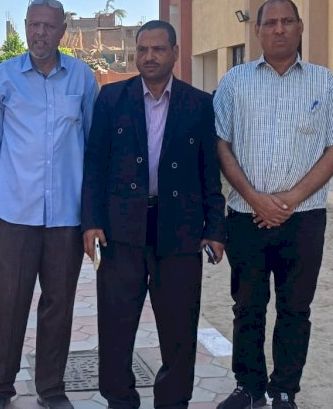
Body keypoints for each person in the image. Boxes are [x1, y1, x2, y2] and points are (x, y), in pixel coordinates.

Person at [213, 0, 333, 409]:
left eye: (287, 21)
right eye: (271, 22)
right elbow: (221, 144)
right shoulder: (235, 82)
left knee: (295, 308)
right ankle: (248, 387)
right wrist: (254, 199)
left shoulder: (324, 82)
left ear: (300, 27)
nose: (279, 29)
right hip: (246, 217)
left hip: (304, 218)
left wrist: (289, 200)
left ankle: (283, 390)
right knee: (248, 307)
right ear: (257, 30)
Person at [82, 20, 226, 409]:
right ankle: (120, 400)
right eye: (142, 49)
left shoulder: (198, 104)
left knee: (179, 330)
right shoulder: (112, 98)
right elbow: (94, 164)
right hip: (120, 232)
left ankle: (173, 401)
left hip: (179, 232)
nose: (149, 56)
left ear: (175, 53)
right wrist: (91, 222)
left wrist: (215, 228)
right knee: (116, 328)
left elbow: (209, 171)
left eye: (158, 49)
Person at [0, 0, 98, 409]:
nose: (40, 33)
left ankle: (51, 389)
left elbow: (94, 150)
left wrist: (92, 217)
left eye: (49, 26)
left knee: (58, 307)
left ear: (63, 31)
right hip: (14, 215)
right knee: (6, 304)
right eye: (34, 25)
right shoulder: (4, 77)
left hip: (66, 218)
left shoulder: (82, 79)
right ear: (26, 27)